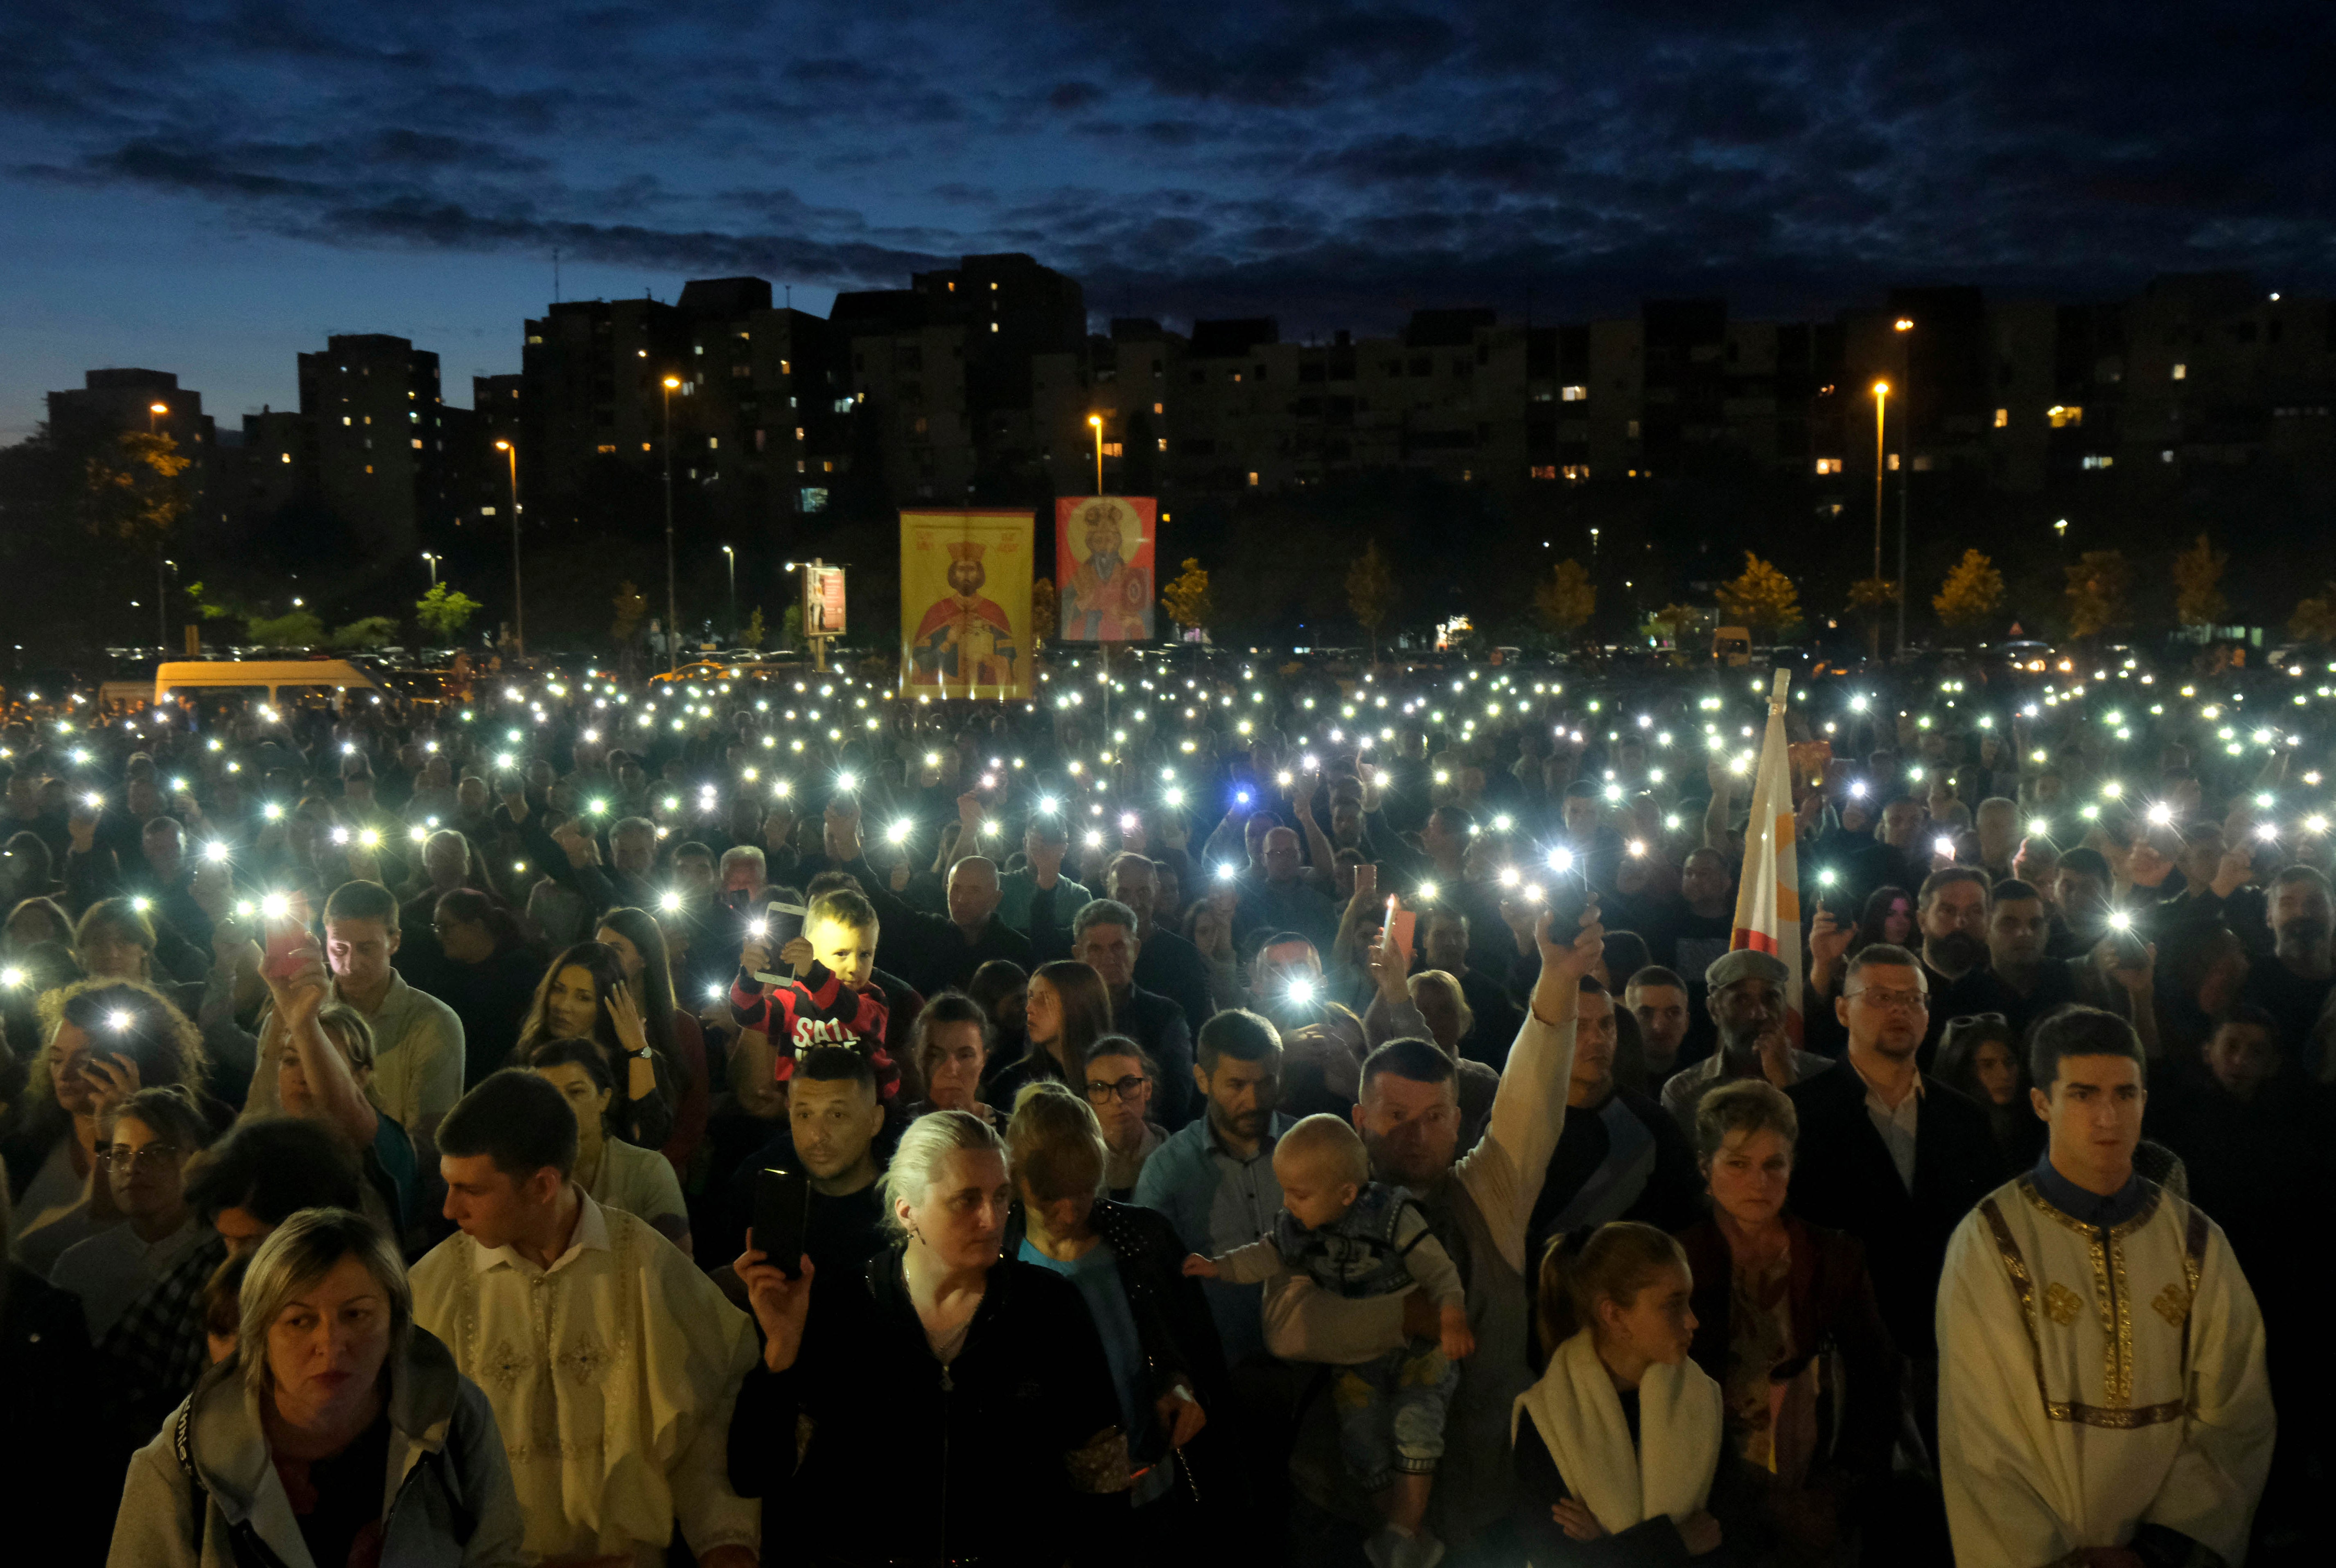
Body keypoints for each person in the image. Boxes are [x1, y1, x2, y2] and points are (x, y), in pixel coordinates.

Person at [1264, 904, 1602, 1552]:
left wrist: (1557, 979)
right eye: (1395, 1114)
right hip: (1345, 1506)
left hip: (1479, 1503)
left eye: (1434, 1115)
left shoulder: (1488, 1194)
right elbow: (1287, 1324)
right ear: (1360, 1116)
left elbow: (1532, 1097)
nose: (1415, 1133)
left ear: (1457, 1120)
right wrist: (1405, 1317)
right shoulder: (1321, 1199)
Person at [1937, 1007, 2275, 1565]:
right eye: (2082, 1094)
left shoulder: (2195, 1240)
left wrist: (2157, 1546)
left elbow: (2234, 1411)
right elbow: (1978, 1432)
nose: (2106, 1116)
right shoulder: (1990, 1241)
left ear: (2144, 1098)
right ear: (2041, 1102)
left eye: (2124, 1093)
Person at [729, 1108, 1131, 1566]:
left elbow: (1101, 1476)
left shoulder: (1048, 1309)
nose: (990, 1218)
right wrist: (781, 1352)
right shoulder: (846, 1308)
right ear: (907, 1211)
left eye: (1001, 1196)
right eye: (966, 1200)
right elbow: (756, 1474)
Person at [411, 1070, 761, 1567]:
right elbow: (413, 1468)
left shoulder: (644, 1265)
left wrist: (725, 1543)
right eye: (449, 1186)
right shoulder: (433, 1289)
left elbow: (705, 1420)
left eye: (471, 1190)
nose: (449, 1210)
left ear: (542, 1185)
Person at [107, 1207, 527, 1568]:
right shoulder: (182, 1465)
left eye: (357, 1315)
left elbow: (495, 1558)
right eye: (299, 1321)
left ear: (397, 1324)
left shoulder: (454, 1421)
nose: (330, 1345)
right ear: (259, 1334)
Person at [1189, 1112, 1473, 1568]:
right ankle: (1400, 1531)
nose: (1287, 1204)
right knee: (1360, 1436)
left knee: (1415, 1422)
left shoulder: (1390, 1214)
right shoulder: (1298, 1224)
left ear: (1345, 1193)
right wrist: (1219, 1267)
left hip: (1419, 1349)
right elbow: (1267, 1253)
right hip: (1361, 1356)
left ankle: (1404, 1531)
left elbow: (1438, 1271)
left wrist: (1452, 1316)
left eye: (1298, 1194)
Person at [1784, 943, 2004, 1452]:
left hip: (1950, 1349)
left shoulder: (1964, 1119)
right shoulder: (1800, 1116)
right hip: (1843, 1352)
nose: (1899, 1010)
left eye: (1913, 999)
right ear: (1843, 1009)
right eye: (1880, 997)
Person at [1674, 1080, 1901, 1558]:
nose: (1758, 1183)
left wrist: (1835, 1495)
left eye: (1773, 1165)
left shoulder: (1833, 1257)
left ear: (1791, 1167)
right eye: (1738, 1164)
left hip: (1817, 1485)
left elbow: (1875, 1379)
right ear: (1704, 1168)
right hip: (1710, 1493)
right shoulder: (1679, 1262)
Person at [1006, 1082, 1230, 1543]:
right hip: (1054, 1513)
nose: (1069, 1214)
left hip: (1157, 1494)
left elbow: (1191, 1347)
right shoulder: (999, 1265)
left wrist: (1181, 1388)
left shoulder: (1143, 1242)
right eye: (1051, 1199)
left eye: (1082, 1193)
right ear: (1014, 1179)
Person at [97, 1116, 369, 1464]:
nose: (238, 1257)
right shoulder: (205, 1267)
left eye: (253, 1241)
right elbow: (119, 1371)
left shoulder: (356, 1300)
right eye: (228, 1238)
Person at [1510, 1222, 1733, 1563]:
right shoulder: (1549, 1415)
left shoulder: (1702, 1400)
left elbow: (1730, 1537)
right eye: (1673, 1305)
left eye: (1689, 1302)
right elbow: (1552, 1558)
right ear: (1614, 1314)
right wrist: (1673, 1542)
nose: (1692, 1320)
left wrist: (1606, 1544)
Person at [5, 976, 218, 1274]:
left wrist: (125, 1122)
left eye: (83, 1060)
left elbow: (124, 1232)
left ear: (133, 1062)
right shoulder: (26, 1148)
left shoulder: (185, 1146)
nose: (64, 1074)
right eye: (55, 1059)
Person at [1135, 1008, 1295, 1367]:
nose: (1253, 1102)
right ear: (1202, 1080)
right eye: (1237, 1085)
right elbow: (1152, 1285)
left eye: (1266, 1082)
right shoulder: (1167, 1170)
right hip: (1221, 1367)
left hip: (1313, 1360)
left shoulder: (1309, 1146)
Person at [1529, 977, 1702, 1268]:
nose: (1597, 1039)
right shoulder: (1517, 1123)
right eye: (1578, 1026)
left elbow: (1685, 1227)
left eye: (1606, 1025)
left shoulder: (1652, 1125)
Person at [49, 1085, 213, 1342]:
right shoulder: (79, 1265)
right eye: (121, 1154)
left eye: (157, 1152)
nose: (133, 1168)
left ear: (196, 1159)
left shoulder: (217, 1259)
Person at [523, 1036, 691, 1253]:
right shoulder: (520, 1174)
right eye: (548, 1095)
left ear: (604, 1099)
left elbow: (676, 1264)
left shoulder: (647, 1170)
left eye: (576, 1092)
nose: (561, 1107)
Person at [512, 939, 675, 1148]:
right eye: (558, 990)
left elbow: (648, 1140)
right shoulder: (527, 1054)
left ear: (608, 1007)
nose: (563, 1006)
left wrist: (638, 1049)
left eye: (583, 998)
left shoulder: (633, 1063)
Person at [594, 904, 711, 1174]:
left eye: (616, 949)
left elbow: (693, 1115)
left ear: (645, 958)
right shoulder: (589, 1017)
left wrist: (657, 1166)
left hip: (656, 1171)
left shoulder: (681, 1027)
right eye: (598, 948)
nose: (603, 959)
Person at [1657, 950, 1827, 1135]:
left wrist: (1788, 1085)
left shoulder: (1825, 1077)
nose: (1760, 1014)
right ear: (1714, 1010)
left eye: (1771, 997)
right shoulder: (1686, 1093)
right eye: (1742, 1000)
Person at [1073, 897, 1197, 1126]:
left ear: (1136, 949)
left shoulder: (1165, 1015)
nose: (1109, 958)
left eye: (1118, 947)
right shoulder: (1066, 1016)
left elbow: (1176, 1097)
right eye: (1095, 950)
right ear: (1078, 955)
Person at [423, 888, 542, 1088]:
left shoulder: (519, 970)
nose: (440, 936)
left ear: (477, 926)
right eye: (436, 927)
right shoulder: (444, 975)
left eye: (447, 927)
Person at [988, 957, 1114, 1107]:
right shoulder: (1011, 1084)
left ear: (1077, 1007)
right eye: (1031, 997)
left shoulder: (1115, 1074)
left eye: (1044, 999)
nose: (1029, 1008)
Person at [1933, 1011, 2046, 1168]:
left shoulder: (2035, 1125)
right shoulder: (1947, 1136)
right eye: (1988, 1065)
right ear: (1965, 1071)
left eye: (2010, 1062)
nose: (2005, 1075)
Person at [1085, 1034, 1167, 1198]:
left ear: (1148, 1089)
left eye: (1128, 1084)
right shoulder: (1078, 1165)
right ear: (1088, 1099)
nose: (1117, 1100)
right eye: (1100, 1088)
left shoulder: (1173, 1158)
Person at [905, 989, 995, 1122]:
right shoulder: (894, 1131)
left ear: (984, 1059)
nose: (951, 1070)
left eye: (965, 1056)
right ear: (916, 1058)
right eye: (935, 1055)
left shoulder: (1012, 1133)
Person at [1622, 966, 1695, 1082]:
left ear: (1686, 1023)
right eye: (1645, 1014)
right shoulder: (1609, 1081)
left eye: (1673, 1013)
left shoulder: (1706, 1080)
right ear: (1628, 1021)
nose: (1659, 1026)